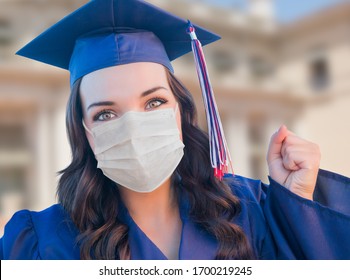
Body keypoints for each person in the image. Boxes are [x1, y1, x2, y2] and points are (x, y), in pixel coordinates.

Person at [1, 0, 350, 260]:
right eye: (105, 114)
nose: (134, 127)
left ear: (182, 111)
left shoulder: (251, 210)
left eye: (153, 102)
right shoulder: (40, 242)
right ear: (86, 133)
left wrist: (296, 206)